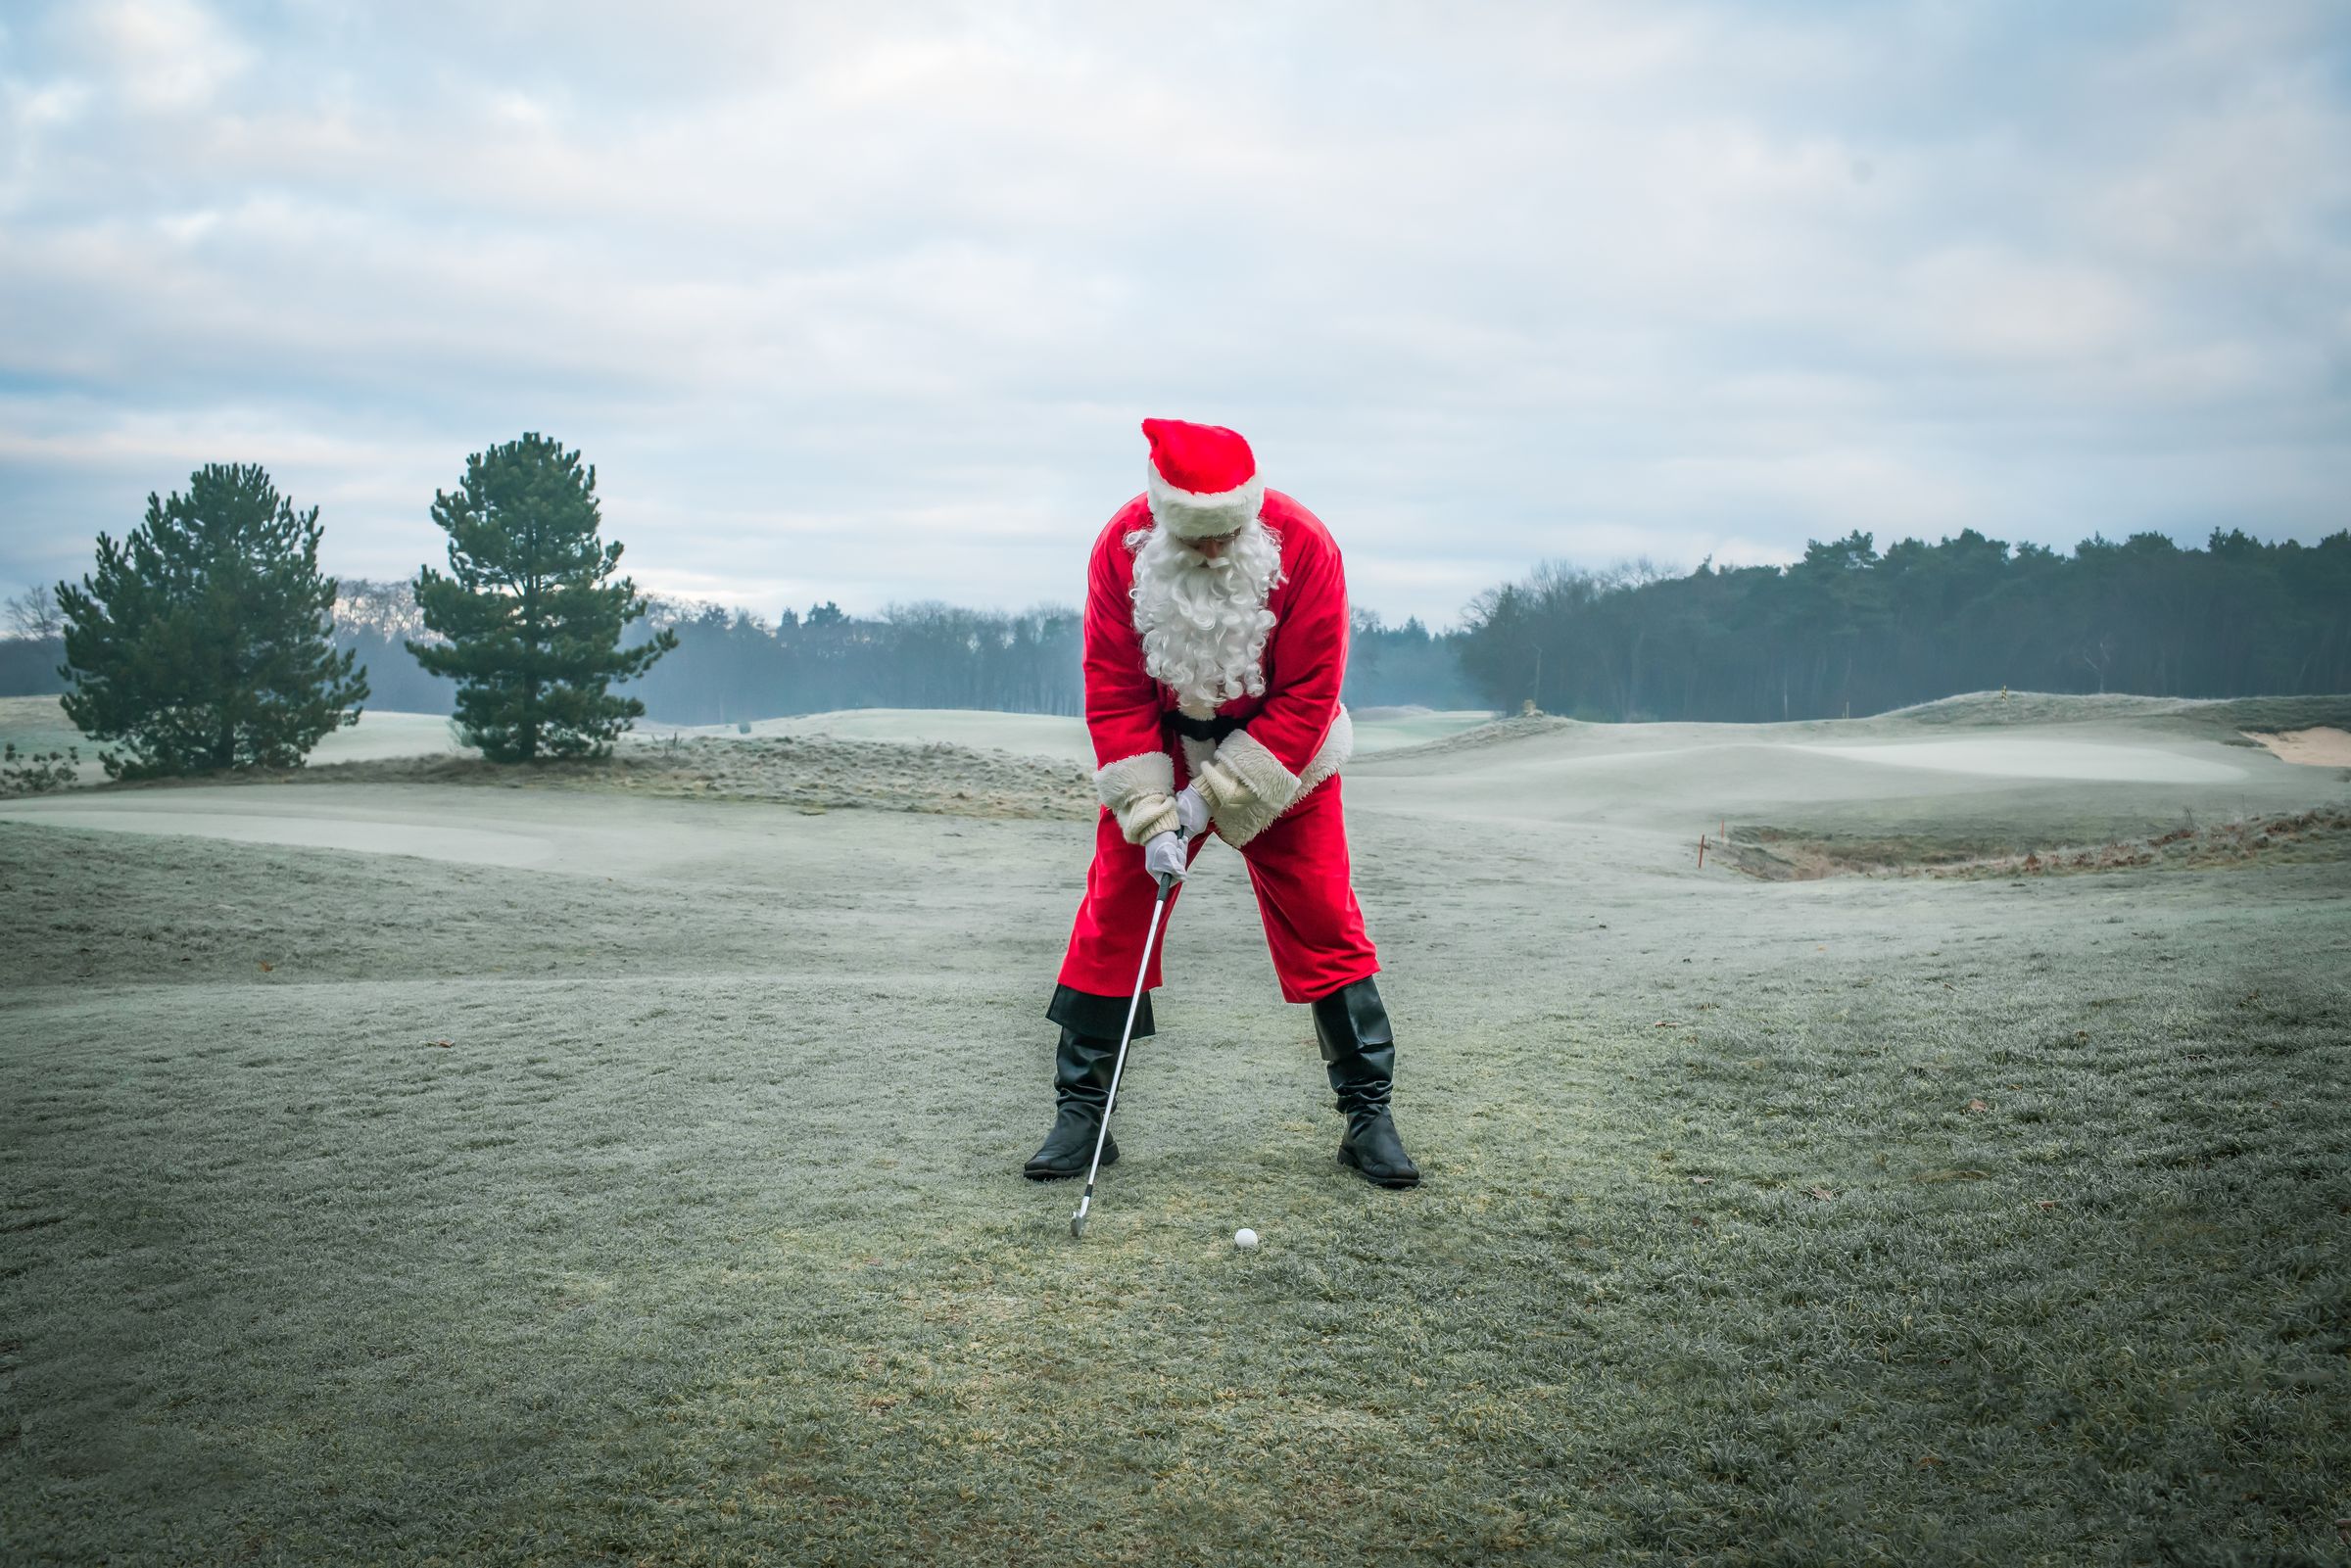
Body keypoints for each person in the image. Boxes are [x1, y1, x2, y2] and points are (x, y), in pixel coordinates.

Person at [1024, 417, 1419, 1190]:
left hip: (1282, 755)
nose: (1214, 550)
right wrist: (1151, 813)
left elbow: (1310, 693)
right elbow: (1112, 683)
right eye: (1198, 537)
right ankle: (1083, 1114)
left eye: (1228, 534)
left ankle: (1369, 1116)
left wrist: (1213, 801)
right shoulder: (1120, 549)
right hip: (1160, 745)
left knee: (1325, 920)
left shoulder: (1306, 546)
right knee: (1113, 914)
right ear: (1164, 519)